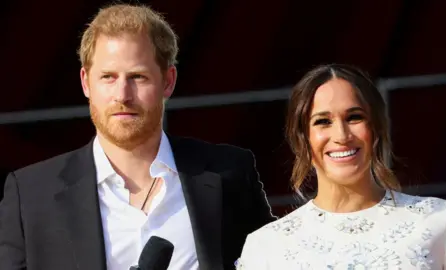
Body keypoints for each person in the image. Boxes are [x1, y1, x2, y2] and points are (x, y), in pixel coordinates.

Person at [0, 3, 275, 270]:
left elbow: (277, 259)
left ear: (168, 81)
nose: (122, 95)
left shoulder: (229, 174)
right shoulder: (31, 194)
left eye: (138, 77)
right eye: (108, 77)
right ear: (86, 82)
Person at [236, 64, 446, 269]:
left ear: (375, 129)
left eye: (354, 117)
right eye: (323, 122)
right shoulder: (267, 246)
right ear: (302, 139)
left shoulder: (440, 221)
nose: (341, 135)